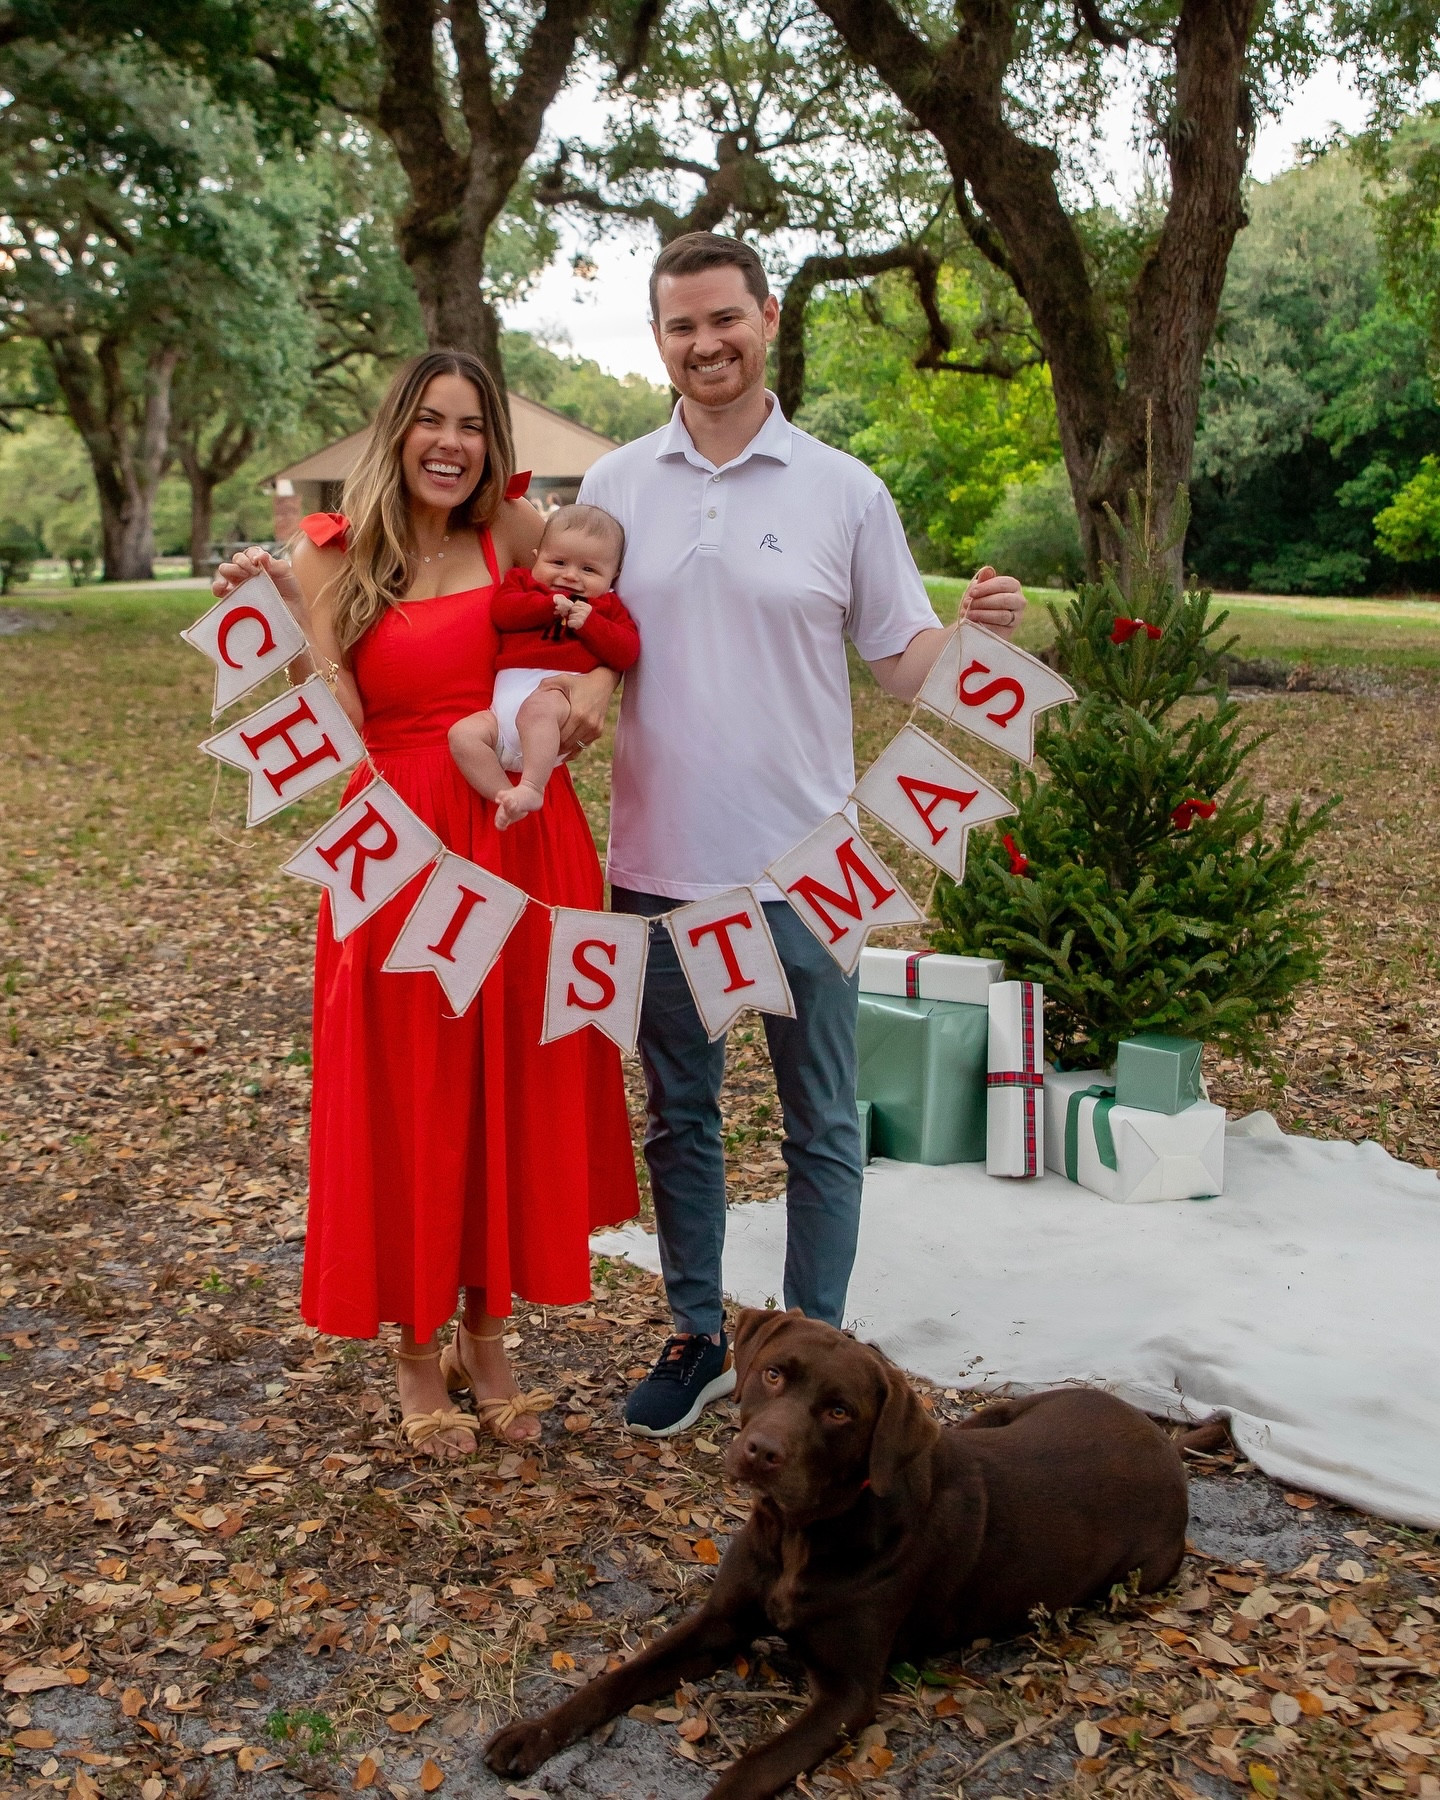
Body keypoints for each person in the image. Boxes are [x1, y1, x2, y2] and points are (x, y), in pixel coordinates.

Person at [579, 232, 1027, 1437]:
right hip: (657, 867)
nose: (705, 343)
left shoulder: (844, 490)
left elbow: (902, 662)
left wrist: (978, 633)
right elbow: (558, 649)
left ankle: (815, 1348)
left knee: (821, 1118)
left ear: (767, 319)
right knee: (681, 1111)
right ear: (658, 340)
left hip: (809, 869)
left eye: (724, 318)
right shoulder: (614, 487)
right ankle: (696, 1335)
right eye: (680, 326)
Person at [209, 350, 638, 1458]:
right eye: (431, 422)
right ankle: (413, 1344)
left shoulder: (520, 534)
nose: (451, 444)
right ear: (396, 432)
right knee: (410, 1085)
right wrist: (266, 616)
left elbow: (600, 633)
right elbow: (334, 709)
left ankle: (488, 1334)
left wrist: (585, 694)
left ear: (494, 443)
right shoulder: (332, 560)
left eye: (472, 426)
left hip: (520, 830)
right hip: (397, 851)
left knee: (508, 1080)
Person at [449, 503, 640, 828]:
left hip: (555, 706)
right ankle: (507, 797)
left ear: (614, 576)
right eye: (558, 562)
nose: (570, 576)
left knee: (537, 709)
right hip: (500, 715)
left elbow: (627, 652)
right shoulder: (523, 585)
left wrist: (591, 624)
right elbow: (503, 612)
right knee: (462, 734)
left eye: (589, 570)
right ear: (537, 556)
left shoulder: (606, 608)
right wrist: (545, 606)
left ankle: (532, 786)